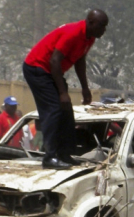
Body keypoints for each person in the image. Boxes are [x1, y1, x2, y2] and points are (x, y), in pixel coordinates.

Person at [23, 9, 109, 169]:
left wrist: (85, 88)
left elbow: (80, 61)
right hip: (37, 68)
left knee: (66, 110)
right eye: (102, 26)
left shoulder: (89, 38)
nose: (104, 30)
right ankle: (50, 157)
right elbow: (55, 61)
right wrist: (62, 93)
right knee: (53, 110)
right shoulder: (73, 33)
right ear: (90, 23)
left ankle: (64, 154)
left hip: (51, 71)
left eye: (105, 26)